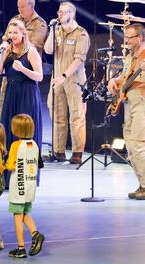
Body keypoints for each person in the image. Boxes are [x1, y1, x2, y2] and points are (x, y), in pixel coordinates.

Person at [44, 1, 90, 164]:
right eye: (59, 12)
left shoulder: (81, 34)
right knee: (57, 113)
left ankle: (77, 151)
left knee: (76, 115)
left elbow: (79, 59)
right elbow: (48, 50)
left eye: (63, 12)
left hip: (74, 80)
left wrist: (64, 75)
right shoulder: (56, 31)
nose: (60, 15)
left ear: (71, 14)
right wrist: (51, 30)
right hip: (57, 79)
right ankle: (58, 150)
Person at [0, 19, 43, 171]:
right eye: (10, 32)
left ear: (23, 33)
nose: (12, 35)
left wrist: (23, 69)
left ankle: (24, 171)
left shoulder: (31, 51)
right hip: (11, 93)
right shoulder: (7, 50)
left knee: (23, 130)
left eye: (15, 32)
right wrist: (2, 54)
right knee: (8, 129)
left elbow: (39, 76)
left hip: (27, 93)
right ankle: (9, 172)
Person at [107, 23, 145, 200]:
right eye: (126, 37)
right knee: (130, 144)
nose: (126, 41)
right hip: (129, 104)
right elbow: (125, 77)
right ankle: (142, 184)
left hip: (142, 104)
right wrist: (115, 81)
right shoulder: (131, 56)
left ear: (140, 37)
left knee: (138, 144)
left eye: (130, 37)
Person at [0, 0, 48, 122]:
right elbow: (6, 39)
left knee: (24, 117)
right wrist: (4, 49)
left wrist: (20, 65)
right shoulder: (14, 20)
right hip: (10, 75)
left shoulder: (40, 24)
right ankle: (1, 136)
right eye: (18, 6)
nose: (20, 9)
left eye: (23, 6)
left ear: (32, 6)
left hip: (26, 76)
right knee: (3, 106)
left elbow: (32, 45)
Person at [5, 114, 45, 258]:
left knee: (17, 217)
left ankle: (21, 247)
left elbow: (10, 165)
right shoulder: (34, 144)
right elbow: (39, 164)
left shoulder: (15, 145)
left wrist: (8, 163)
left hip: (18, 186)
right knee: (24, 213)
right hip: (29, 186)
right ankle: (35, 234)